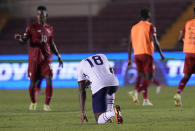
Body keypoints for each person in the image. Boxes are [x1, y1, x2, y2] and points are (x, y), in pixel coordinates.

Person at [14, 6, 63, 111]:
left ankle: (47, 105)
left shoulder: (50, 28)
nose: (40, 16)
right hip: (34, 60)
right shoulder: (31, 27)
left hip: (46, 59)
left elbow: (51, 43)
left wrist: (58, 55)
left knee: (49, 79)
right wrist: (20, 39)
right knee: (32, 82)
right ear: (37, 15)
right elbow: (24, 40)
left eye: (42, 14)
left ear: (46, 15)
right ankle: (33, 102)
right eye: (38, 14)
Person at [127, 8, 165, 106]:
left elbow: (130, 44)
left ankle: (145, 100)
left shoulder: (134, 27)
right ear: (149, 16)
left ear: (140, 16)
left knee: (143, 76)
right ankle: (136, 92)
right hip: (146, 54)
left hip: (137, 55)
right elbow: (155, 41)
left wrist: (129, 59)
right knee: (150, 77)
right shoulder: (150, 26)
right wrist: (161, 54)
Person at [77, 54, 123, 124]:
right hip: (114, 82)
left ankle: (113, 112)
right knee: (109, 90)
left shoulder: (81, 65)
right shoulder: (102, 56)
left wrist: (82, 112)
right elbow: (110, 70)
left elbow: (81, 90)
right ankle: (110, 116)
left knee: (99, 119)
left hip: (100, 85)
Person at [174, 8, 195, 106]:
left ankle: (178, 93)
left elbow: (180, 38)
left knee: (187, 76)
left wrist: (185, 42)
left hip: (189, 52)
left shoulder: (187, 23)